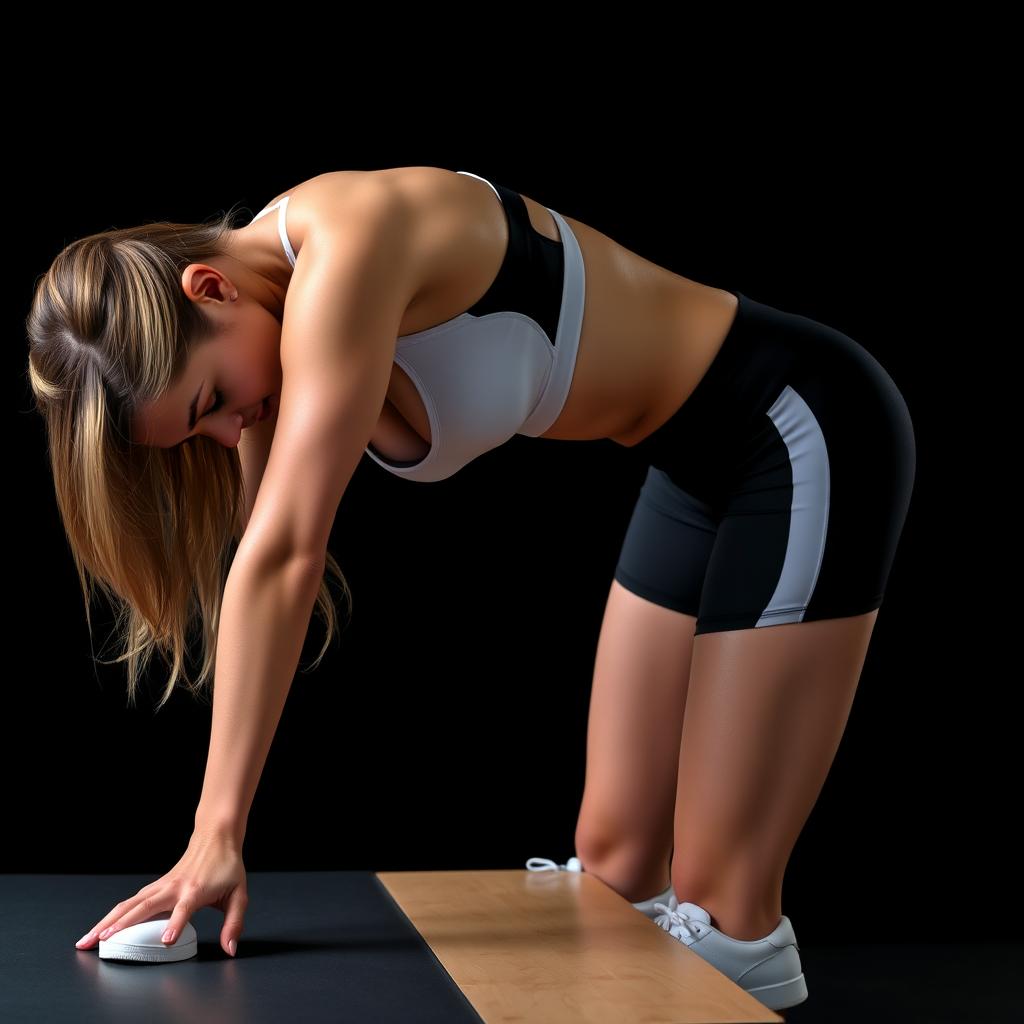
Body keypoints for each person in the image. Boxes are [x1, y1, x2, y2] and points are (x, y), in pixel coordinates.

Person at [28, 168, 914, 1006]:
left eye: (211, 400)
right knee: (614, 873)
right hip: (692, 470)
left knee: (726, 929)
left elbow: (286, 554)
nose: (229, 433)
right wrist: (209, 841)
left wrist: (214, 838)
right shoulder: (283, 331)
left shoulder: (350, 241)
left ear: (209, 290)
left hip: (793, 425)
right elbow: (266, 557)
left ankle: (729, 976)